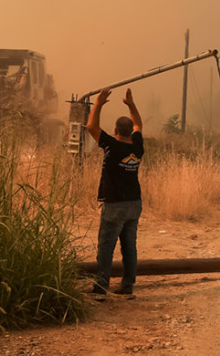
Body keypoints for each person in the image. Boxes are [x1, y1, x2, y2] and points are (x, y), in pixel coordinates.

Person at [86, 87, 144, 299]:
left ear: (115, 131)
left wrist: (99, 103)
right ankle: (127, 285)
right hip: (134, 204)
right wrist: (131, 104)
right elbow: (138, 123)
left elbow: (91, 126)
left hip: (115, 205)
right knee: (129, 247)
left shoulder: (112, 146)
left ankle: (101, 288)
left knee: (106, 247)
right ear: (130, 132)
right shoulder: (137, 146)